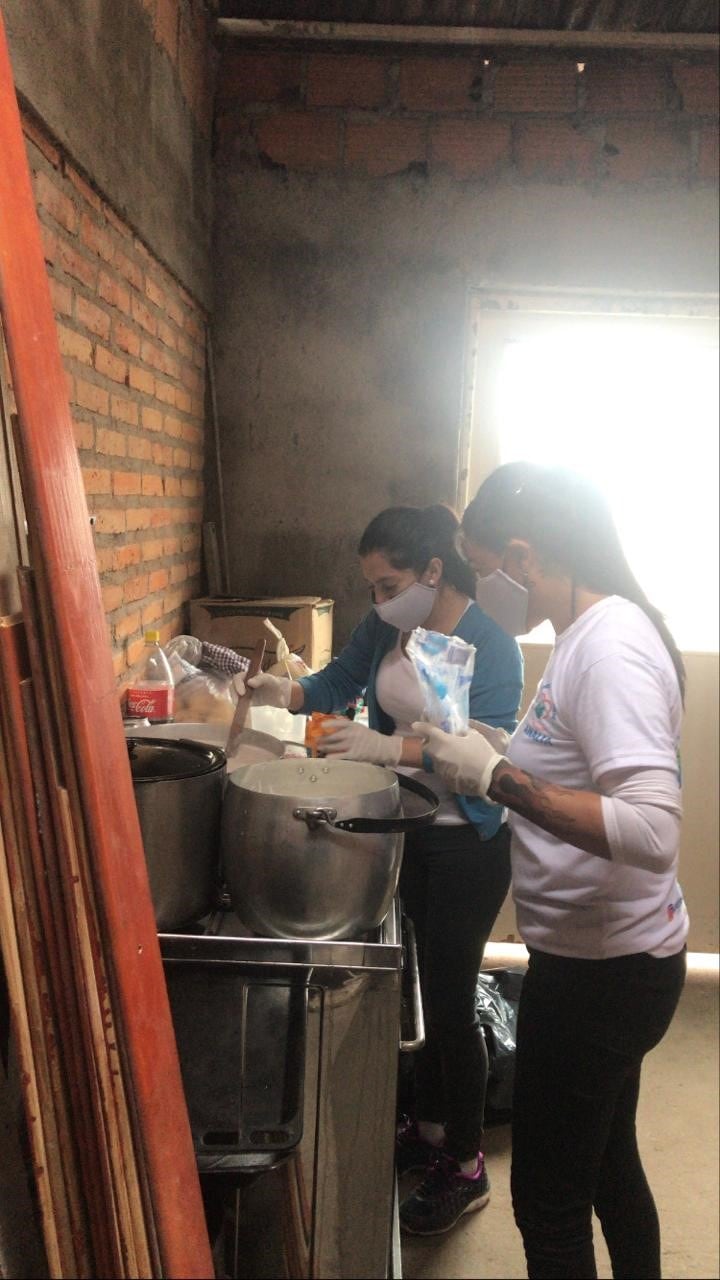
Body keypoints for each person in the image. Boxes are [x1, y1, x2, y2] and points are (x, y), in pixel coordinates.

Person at [416, 462, 688, 1279]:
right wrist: (494, 752)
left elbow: (648, 828)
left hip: (606, 974)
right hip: (607, 958)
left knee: (548, 1203)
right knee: (606, 1165)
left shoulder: (608, 648)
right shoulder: (585, 636)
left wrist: (493, 778)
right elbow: (582, 774)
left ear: (526, 556)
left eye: (484, 565)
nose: (482, 587)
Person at [240, 504, 523, 1234]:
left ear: (434, 572)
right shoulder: (392, 626)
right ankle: (429, 1127)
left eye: (387, 582)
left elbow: (483, 764)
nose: (377, 598)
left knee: (454, 1001)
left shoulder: (491, 646)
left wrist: (382, 749)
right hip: (410, 829)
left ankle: (465, 1164)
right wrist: (286, 693)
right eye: (370, 586)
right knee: (418, 984)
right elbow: (335, 682)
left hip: (469, 844)